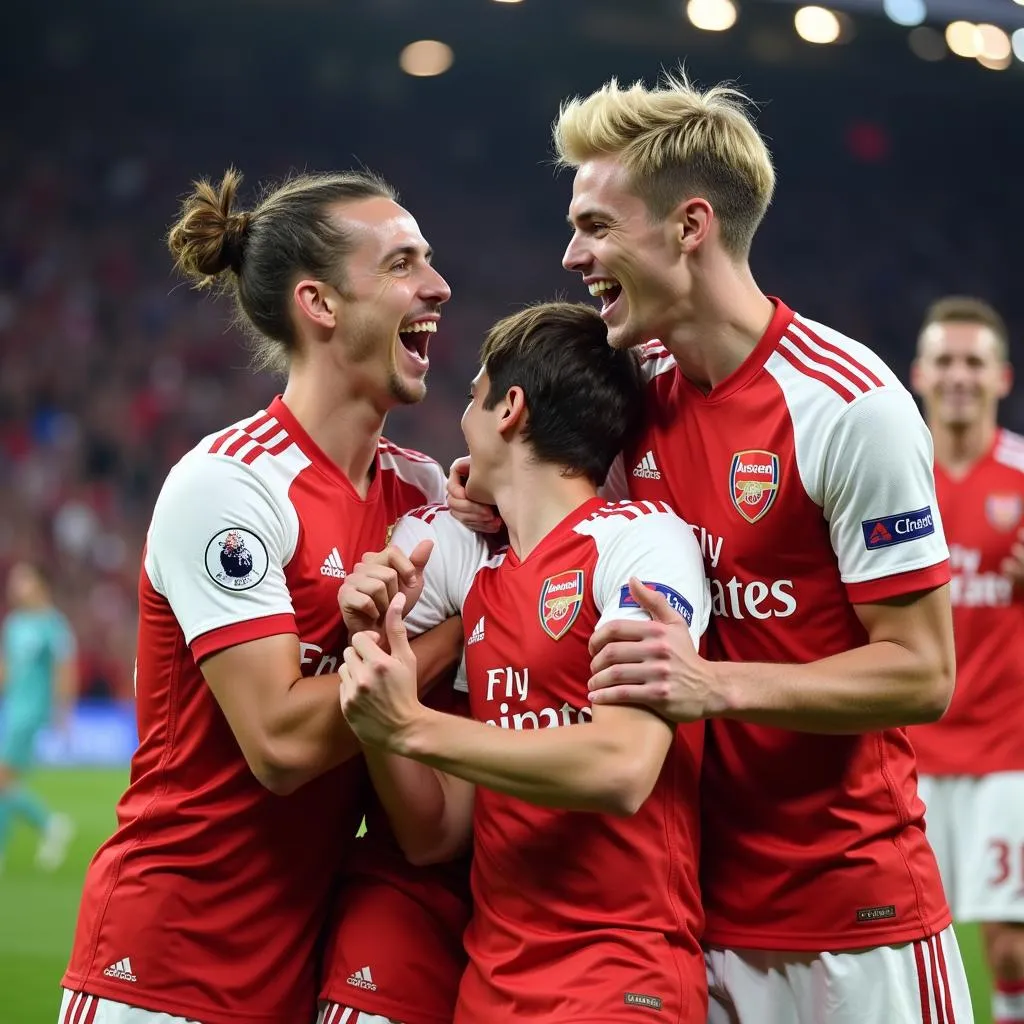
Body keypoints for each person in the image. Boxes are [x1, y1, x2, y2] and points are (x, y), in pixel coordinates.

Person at [448, 73, 972, 1022]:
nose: (572, 255)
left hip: (851, 917)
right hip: (686, 918)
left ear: (690, 225)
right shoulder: (631, 394)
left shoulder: (850, 407)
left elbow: (923, 672)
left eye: (597, 226)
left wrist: (715, 685)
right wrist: (486, 497)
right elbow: (554, 509)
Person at [59, 167, 464, 1024]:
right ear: (319, 304)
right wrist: (458, 631)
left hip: (294, 972)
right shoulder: (230, 486)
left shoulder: (421, 493)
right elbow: (279, 742)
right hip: (160, 972)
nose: (437, 285)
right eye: (401, 264)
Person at [336, 301, 711, 1023]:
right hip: (492, 985)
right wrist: (378, 673)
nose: (461, 420)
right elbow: (435, 834)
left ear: (511, 408)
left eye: (475, 394)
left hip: (618, 979)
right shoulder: (483, 583)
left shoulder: (640, 543)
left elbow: (622, 766)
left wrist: (412, 725)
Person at [909, 296, 1024, 1024]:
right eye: (945, 361)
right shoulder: (893, 474)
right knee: (917, 940)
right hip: (909, 749)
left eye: (972, 362)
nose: (958, 376)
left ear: (1002, 378)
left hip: (1006, 751)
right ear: (918, 373)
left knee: (1008, 947)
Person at [0, 560, 77, 874]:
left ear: (40, 585)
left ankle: (51, 824)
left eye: (23, 580)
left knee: (4, 779)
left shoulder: (53, 625)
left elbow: (64, 670)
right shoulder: (14, 624)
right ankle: (48, 827)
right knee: (7, 782)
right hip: (12, 708)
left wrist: (63, 711)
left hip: (31, 712)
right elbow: (7, 671)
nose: (16, 587)